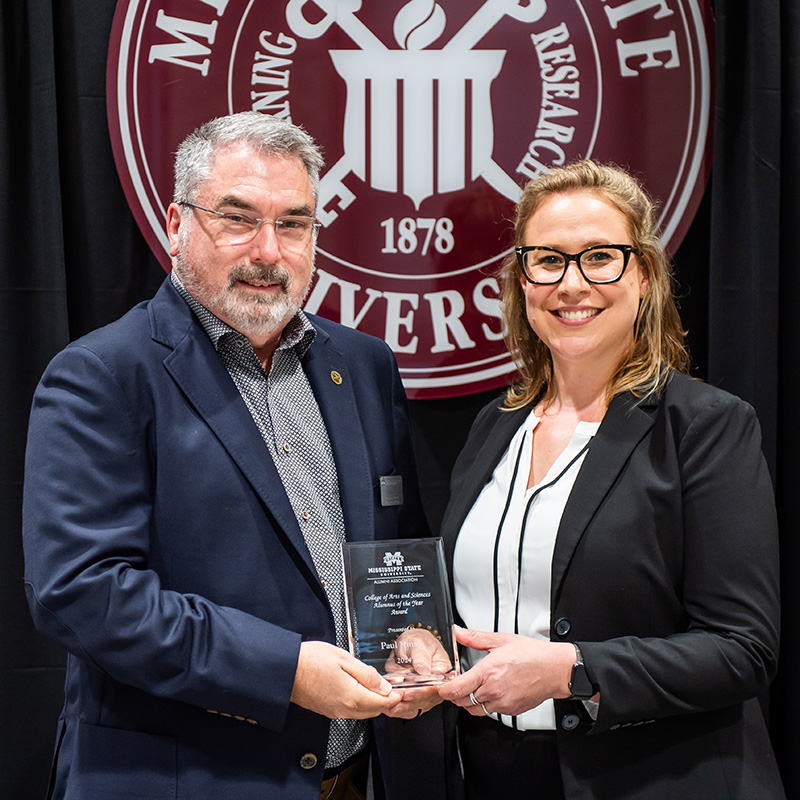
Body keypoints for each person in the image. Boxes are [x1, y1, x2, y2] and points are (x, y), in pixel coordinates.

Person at [22, 111, 443, 800]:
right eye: (237, 218)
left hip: (365, 777)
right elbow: (83, 594)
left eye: (294, 223)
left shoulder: (364, 366)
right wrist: (284, 671)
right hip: (189, 780)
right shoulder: (101, 375)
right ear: (176, 223)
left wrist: (415, 637)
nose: (268, 252)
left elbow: (395, 551)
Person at [437, 160, 785, 799]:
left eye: (601, 257)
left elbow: (743, 650)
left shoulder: (705, 426)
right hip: (491, 776)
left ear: (645, 275)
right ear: (522, 279)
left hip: (651, 778)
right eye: (548, 260)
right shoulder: (495, 425)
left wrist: (572, 669)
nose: (573, 284)